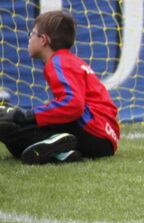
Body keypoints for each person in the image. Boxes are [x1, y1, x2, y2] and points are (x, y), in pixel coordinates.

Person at [0, 10, 120, 164]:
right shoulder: (71, 61)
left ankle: (56, 145)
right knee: (17, 130)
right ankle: (62, 152)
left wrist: (28, 116)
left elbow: (73, 104)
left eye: (32, 34)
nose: (29, 39)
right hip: (106, 142)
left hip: (91, 132)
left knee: (11, 128)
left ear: (43, 40)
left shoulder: (58, 62)